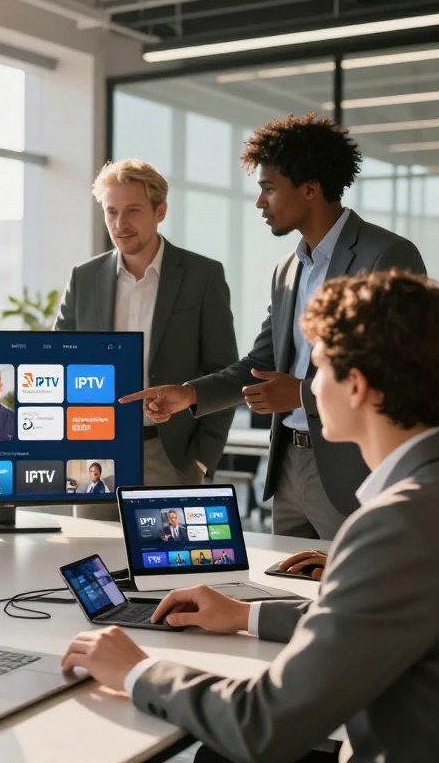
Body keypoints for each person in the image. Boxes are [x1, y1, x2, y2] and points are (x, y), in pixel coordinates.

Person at [62, 270, 439, 762]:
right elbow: (370, 615)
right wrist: (245, 613)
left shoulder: (398, 524)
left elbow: (261, 724)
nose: (308, 385)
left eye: (317, 368)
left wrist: (137, 670)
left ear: (358, 387)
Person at [121, 115, 425, 543]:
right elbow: (260, 364)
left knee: (346, 600)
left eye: (268, 188)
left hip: (350, 470)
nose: (260, 203)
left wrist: (301, 392)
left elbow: (401, 371)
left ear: (310, 188)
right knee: (286, 590)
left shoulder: (385, 254)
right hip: (287, 470)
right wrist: (187, 394)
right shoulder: (287, 270)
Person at [56, 159, 237, 489]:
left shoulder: (202, 276)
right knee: (91, 543)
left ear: (160, 211)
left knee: (166, 542)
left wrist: (201, 459)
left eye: (133, 211)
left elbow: (223, 372)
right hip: (95, 450)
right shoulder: (84, 278)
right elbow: (59, 360)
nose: (120, 223)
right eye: (112, 211)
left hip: (171, 455)